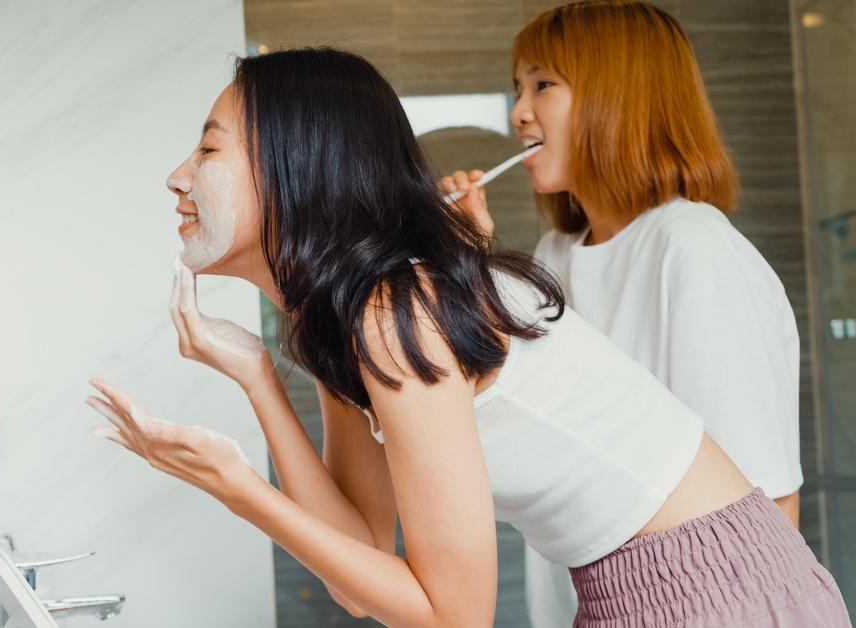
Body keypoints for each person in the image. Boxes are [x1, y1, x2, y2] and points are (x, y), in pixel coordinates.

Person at [88, 48, 847, 627]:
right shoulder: (353, 313)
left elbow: (454, 615)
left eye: (210, 148)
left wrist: (238, 488)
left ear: (295, 166)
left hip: (716, 589)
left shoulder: (395, 310)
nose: (177, 177)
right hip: (652, 584)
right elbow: (358, 561)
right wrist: (256, 377)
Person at [441, 3, 805, 625]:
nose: (518, 111)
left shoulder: (691, 248)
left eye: (542, 84)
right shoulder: (555, 255)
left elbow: (766, 501)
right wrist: (468, 258)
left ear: (621, 96)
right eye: (517, 88)